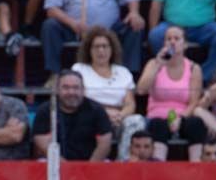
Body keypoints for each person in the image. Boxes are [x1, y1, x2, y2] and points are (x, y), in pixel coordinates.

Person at [72, 27, 144, 161]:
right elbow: (80, 99)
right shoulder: (79, 69)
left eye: (105, 46)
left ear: (112, 49)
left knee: (136, 120)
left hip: (117, 119)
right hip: (91, 117)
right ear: (89, 50)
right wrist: (104, 113)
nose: (101, 51)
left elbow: (130, 104)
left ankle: (123, 164)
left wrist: (120, 115)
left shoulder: (123, 72)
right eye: (96, 47)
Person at [139, 25, 206, 161]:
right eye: (168, 39)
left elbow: (193, 102)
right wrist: (158, 65)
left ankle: (197, 168)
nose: (172, 42)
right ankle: (159, 167)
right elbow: (141, 90)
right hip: (157, 117)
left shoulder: (194, 68)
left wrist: (179, 118)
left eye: (177, 38)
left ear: (185, 44)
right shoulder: (154, 63)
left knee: (196, 124)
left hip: (182, 116)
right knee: (158, 125)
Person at [31, 69, 113, 161]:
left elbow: (104, 144)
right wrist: (66, 167)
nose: (71, 92)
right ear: (57, 89)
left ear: (83, 90)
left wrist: (88, 169)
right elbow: (41, 142)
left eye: (76, 87)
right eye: (66, 87)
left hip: (91, 163)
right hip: (56, 162)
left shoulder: (96, 110)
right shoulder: (46, 110)